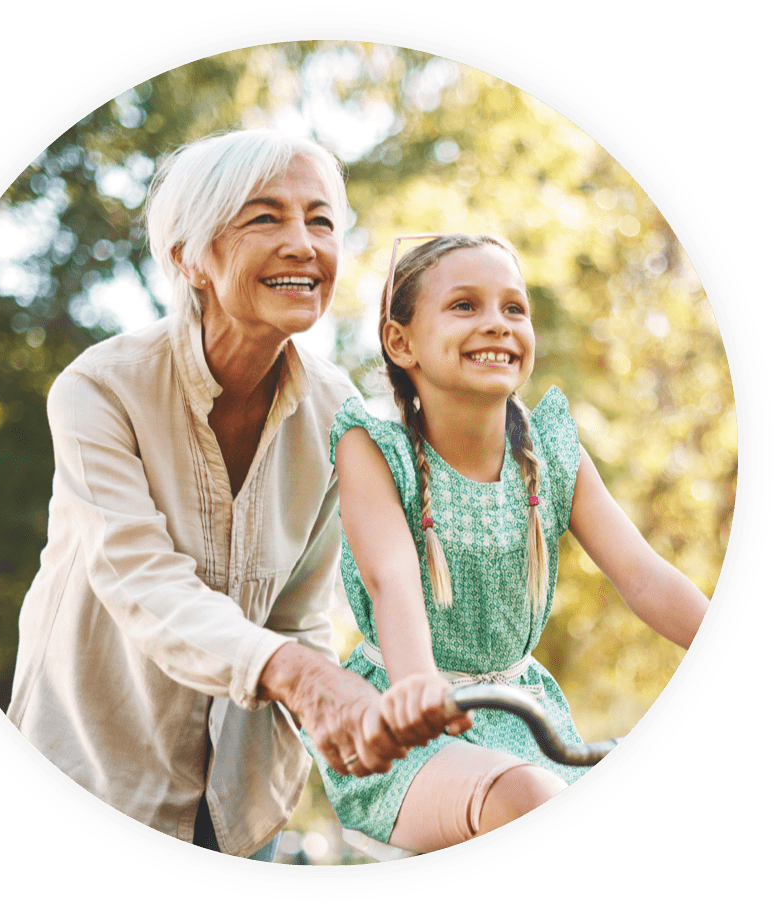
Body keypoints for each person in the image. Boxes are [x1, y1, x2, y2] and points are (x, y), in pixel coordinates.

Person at [6, 130, 440, 861]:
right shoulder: (100, 388)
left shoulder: (341, 416)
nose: (303, 243)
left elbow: (300, 613)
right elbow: (142, 582)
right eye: (265, 218)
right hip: (90, 777)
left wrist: (346, 714)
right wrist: (300, 677)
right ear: (188, 257)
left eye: (321, 220)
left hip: (242, 813)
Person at [304, 233, 709, 858]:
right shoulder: (375, 448)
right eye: (465, 306)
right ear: (400, 341)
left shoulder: (548, 452)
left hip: (524, 719)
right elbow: (392, 579)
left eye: (513, 309)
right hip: (407, 727)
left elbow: (643, 576)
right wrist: (417, 689)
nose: (496, 324)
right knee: (528, 799)